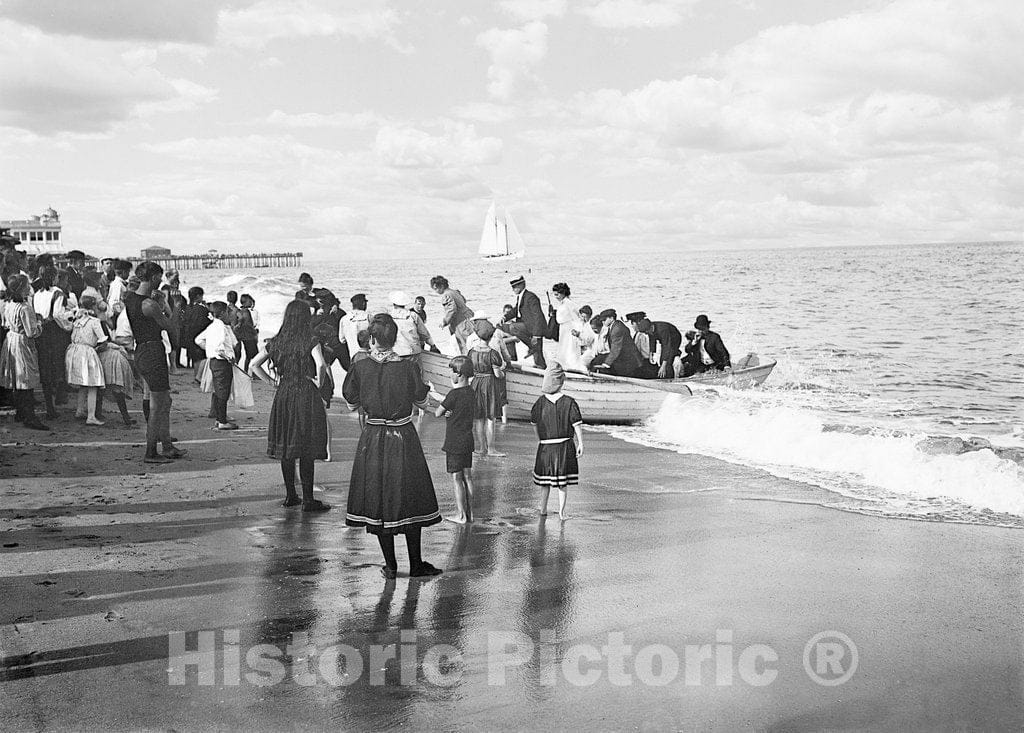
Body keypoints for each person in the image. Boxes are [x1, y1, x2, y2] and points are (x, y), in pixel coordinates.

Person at [343, 313, 442, 579]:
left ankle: (391, 565)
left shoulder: (360, 366)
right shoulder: (408, 368)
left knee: (378, 499)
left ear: (372, 339)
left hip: (374, 436)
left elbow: (351, 401)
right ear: (395, 337)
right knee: (410, 498)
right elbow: (422, 401)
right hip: (403, 435)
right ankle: (416, 563)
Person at [250, 300, 331, 512]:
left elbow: (253, 364)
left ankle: (290, 496)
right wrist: (319, 383)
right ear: (306, 317)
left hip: (284, 392)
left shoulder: (277, 341)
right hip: (305, 392)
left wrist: (272, 382)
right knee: (306, 446)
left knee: (286, 445)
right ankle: (308, 500)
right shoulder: (311, 340)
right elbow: (321, 365)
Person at [125, 261, 185, 463]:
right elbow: (171, 327)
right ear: (152, 278)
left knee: (164, 401)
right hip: (153, 351)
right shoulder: (149, 305)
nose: (161, 280)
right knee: (157, 405)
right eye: (159, 277)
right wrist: (174, 307)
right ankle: (151, 452)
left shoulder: (131, 298)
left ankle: (167, 446)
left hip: (141, 349)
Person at [531, 363, 584, 521]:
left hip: (545, 447)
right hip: (564, 446)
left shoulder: (539, 403)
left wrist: (540, 440)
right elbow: (577, 424)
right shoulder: (569, 402)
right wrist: (581, 443)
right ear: (561, 382)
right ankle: (561, 512)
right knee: (562, 483)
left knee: (544, 482)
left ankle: (543, 509)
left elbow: (534, 424)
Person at [431, 355, 476, 524]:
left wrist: (445, 409)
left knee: (457, 479)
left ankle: (461, 515)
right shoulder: (471, 393)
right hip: (467, 440)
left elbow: (437, 413)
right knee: (468, 477)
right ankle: (471, 514)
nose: (450, 374)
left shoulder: (453, 394)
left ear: (460, 375)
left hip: (454, 441)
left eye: (452, 371)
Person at [0, 274, 48, 429]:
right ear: (21, 288)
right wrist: (40, 322)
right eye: (27, 285)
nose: (29, 288)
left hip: (11, 340)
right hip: (22, 343)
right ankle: (30, 417)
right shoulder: (25, 308)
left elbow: (6, 323)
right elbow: (31, 332)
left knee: (17, 377)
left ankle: (20, 412)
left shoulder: (8, 304)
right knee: (26, 377)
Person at [32, 266, 73, 418]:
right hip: (54, 332)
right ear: (54, 277)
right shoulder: (58, 293)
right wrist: (71, 321)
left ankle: (49, 406)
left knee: (45, 368)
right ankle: (60, 396)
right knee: (59, 363)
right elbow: (58, 315)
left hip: (41, 332)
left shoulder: (37, 294)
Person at [195, 301, 238, 430]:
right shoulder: (220, 327)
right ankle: (221, 420)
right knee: (223, 391)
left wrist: (209, 350)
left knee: (220, 390)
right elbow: (220, 347)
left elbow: (198, 340)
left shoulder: (213, 326)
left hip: (215, 361)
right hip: (222, 362)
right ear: (224, 313)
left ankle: (220, 416)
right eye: (228, 312)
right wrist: (226, 356)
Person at [66, 295, 107, 426]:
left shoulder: (77, 320)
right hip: (87, 352)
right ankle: (91, 416)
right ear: (94, 306)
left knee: (84, 383)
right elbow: (102, 340)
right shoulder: (94, 321)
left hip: (74, 351)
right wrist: (100, 347)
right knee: (93, 384)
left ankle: (80, 410)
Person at [468, 318, 505, 457]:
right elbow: (498, 374)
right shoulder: (493, 353)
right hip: (489, 384)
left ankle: (481, 448)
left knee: (478, 418)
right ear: (490, 337)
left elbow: (470, 370)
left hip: (476, 383)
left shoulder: (471, 352)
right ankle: (491, 449)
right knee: (490, 419)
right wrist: (502, 373)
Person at [501, 275, 546, 368]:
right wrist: (505, 318)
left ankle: (540, 365)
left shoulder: (531, 297)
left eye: (515, 287)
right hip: (527, 326)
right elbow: (515, 310)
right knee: (537, 352)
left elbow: (538, 315)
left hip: (534, 327)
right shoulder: (521, 297)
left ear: (522, 285)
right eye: (512, 287)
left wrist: (536, 334)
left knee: (513, 327)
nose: (513, 289)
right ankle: (537, 358)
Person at [97, 319, 135, 427]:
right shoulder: (101, 322)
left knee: (99, 389)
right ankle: (125, 417)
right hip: (113, 356)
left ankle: (97, 413)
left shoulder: (97, 322)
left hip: (103, 357)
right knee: (117, 390)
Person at [389, 290, 438, 374]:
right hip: (413, 352)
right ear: (405, 303)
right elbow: (424, 334)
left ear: (393, 303)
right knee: (416, 378)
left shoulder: (389, 316)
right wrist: (432, 345)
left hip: (395, 352)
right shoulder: (413, 315)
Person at [590, 309, 645, 377]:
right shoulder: (615, 326)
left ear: (611, 318)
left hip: (629, 362)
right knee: (598, 360)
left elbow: (615, 349)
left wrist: (606, 364)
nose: (603, 322)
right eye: (602, 320)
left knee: (600, 364)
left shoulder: (617, 329)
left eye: (604, 319)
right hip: (624, 358)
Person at [429, 275, 475, 355]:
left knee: (464, 345)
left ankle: (468, 363)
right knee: (472, 342)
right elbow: (464, 300)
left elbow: (451, 310)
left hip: (460, 322)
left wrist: (445, 322)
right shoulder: (454, 291)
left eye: (436, 288)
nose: (435, 291)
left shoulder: (446, 295)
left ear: (442, 286)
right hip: (469, 317)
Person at [550, 282, 585, 372]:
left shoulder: (569, 304)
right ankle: (564, 365)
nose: (556, 297)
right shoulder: (562, 303)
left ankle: (573, 366)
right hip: (563, 328)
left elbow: (577, 318)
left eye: (557, 294)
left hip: (569, 328)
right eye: (554, 295)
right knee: (563, 347)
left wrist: (578, 332)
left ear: (563, 293)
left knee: (570, 348)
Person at [182, 286, 209, 378]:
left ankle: (196, 375)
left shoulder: (187, 308)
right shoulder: (201, 309)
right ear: (198, 296)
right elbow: (207, 320)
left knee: (195, 357)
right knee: (201, 357)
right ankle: (199, 376)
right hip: (199, 334)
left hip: (188, 334)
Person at [338, 293, 368, 370]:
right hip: (368, 356)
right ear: (364, 303)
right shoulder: (369, 317)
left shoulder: (344, 319)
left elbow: (342, 340)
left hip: (353, 357)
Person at [235, 294, 259, 370]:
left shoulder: (240, 311)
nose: (251, 303)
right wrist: (255, 333)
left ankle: (246, 370)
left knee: (248, 356)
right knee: (255, 356)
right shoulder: (246, 312)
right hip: (249, 336)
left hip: (244, 336)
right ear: (245, 302)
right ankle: (253, 373)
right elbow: (249, 325)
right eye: (249, 301)